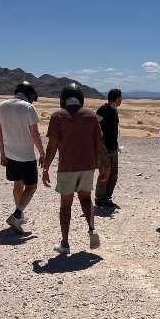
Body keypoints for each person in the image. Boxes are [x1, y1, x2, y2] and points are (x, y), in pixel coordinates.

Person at [42, 83, 110, 255]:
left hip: (67, 167)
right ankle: (92, 230)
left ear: (63, 99)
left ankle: (65, 243)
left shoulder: (57, 116)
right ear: (80, 98)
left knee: (66, 205)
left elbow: (52, 146)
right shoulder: (91, 116)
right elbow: (100, 144)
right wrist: (106, 165)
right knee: (86, 199)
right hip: (88, 166)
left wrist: (45, 168)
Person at [0, 81, 45, 233]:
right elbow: (35, 134)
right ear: (29, 95)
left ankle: (19, 215)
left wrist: (2, 153)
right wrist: (42, 152)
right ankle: (17, 215)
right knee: (31, 186)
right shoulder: (28, 108)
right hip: (26, 156)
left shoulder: (2, 106)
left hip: (10, 154)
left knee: (17, 185)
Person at [95, 88, 122, 209]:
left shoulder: (114, 110)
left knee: (113, 174)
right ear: (117, 98)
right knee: (104, 173)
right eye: (120, 98)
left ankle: (107, 198)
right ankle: (99, 199)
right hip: (104, 148)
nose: (121, 100)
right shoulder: (103, 109)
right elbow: (95, 123)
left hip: (113, 147)